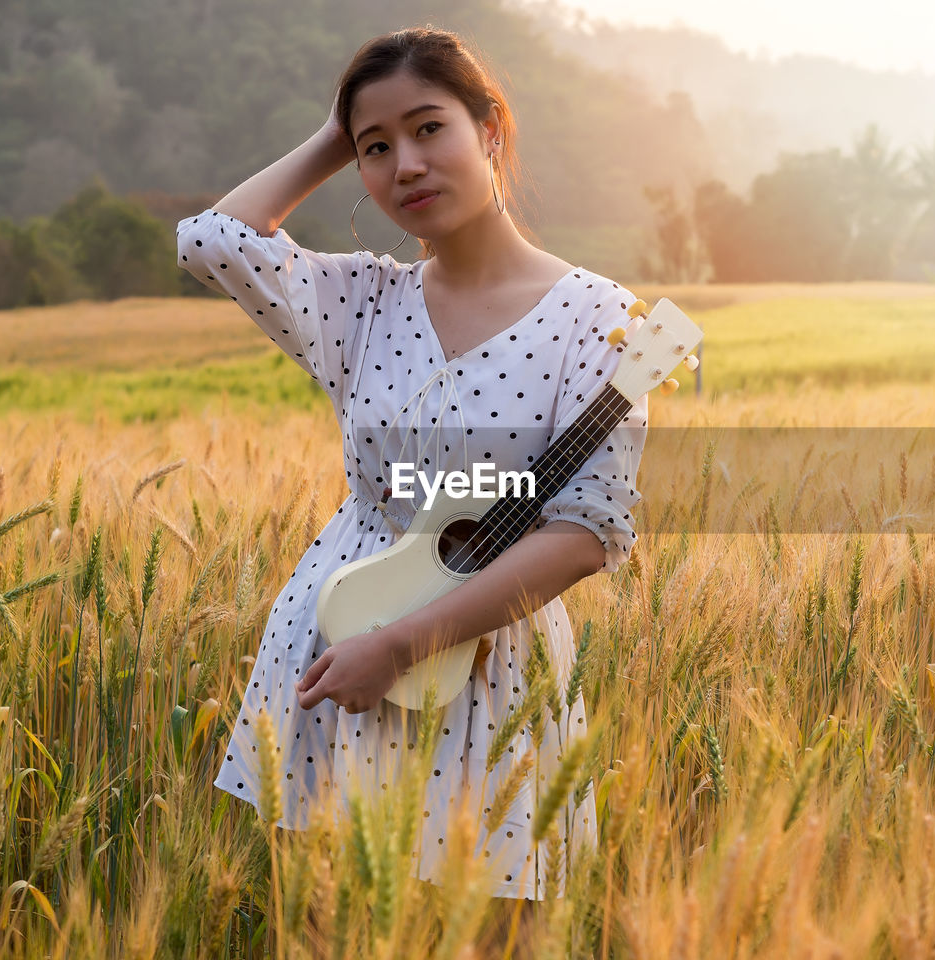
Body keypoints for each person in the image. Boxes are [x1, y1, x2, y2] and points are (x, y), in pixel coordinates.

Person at [175, 24, 648, 956]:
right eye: (376, 150)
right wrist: (334, 129)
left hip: (481, 660)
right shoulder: (362, 301)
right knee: (323, 930)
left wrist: (403, 644)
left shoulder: (602, 317)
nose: (405, 166)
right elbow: (211, 242)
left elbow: (589, 528)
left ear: (492, 130)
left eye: (431, 129)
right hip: (337, 652)